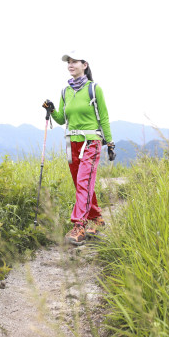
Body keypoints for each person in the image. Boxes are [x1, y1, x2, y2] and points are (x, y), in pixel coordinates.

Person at [42, 50, 115, 246]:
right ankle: (97, 218)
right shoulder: (65, 92)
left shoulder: (94, 89)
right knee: (82, 183)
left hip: (91, 141)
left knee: (83, 182)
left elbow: (104, 117)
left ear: (85, 64)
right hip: (71, 143)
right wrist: (51, 109)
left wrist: (109, 142)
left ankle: (79, 226)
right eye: (68, 62)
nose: (70, 65)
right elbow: (61, 119)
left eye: (75, 61)